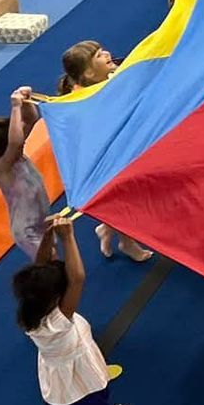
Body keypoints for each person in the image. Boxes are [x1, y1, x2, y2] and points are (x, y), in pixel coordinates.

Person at [13, 216, 129, 405]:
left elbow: (42, 270)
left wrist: (49, 237)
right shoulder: (58, 322)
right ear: (56, 298)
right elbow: (77, 277)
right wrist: (68, 237)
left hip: (72, 385)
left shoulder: (31, 309)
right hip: (75, 398)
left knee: (103, 396)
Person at [57, 41, 153, 263]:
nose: (108, 53)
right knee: (122, 199)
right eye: (100, 55)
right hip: (104, 156)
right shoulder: (83, 100)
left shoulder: (110, 77)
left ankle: (106, 228)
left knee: (127, 195)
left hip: (123, 146)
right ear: (89, 72)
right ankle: (126, 242)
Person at [0, 86, 49, 259]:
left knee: (51, 258)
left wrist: (25, 101)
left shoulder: (15, 154)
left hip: (41, 220)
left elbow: (31, 120)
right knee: (48, 259)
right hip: (27, 231)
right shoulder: (2, 168)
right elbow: (15, 141)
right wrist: (15, 108)